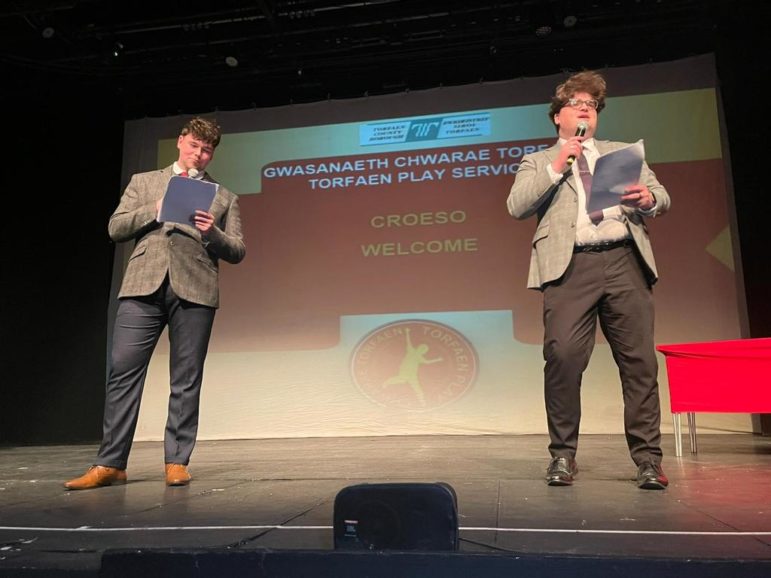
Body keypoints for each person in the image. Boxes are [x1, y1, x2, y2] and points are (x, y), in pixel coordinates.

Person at [506, 71, 671, 490]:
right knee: (562, 358)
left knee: (639, 364)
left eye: (592, 105)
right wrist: (559, 164)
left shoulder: (620, 153)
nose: (586, 109)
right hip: (569, 267)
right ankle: (562, 455)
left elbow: (661, 197)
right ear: (557, 115)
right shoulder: (539, 161)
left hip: (623, 261)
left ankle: (648, 460)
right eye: (577, 103)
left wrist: (647, 200)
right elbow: (517, 206)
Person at [65, 117, 246, 490]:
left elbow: (238, 250)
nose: (199, 155)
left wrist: (212, 232)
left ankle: (176, 461)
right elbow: (116, 228)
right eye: (194, 145)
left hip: (195, 288)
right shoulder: (144, 182)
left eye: (207, 150)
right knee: (123, 372)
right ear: (181, 142)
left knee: (186, 378)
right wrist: (157, 206)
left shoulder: (224, 196)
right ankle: (110, 463)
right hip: (142, 285)